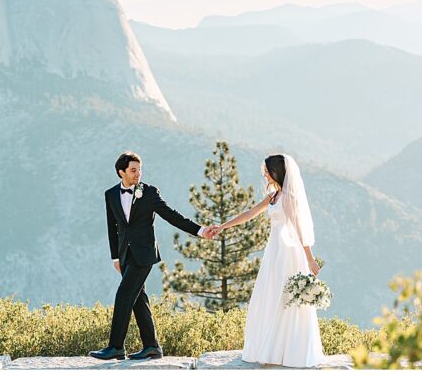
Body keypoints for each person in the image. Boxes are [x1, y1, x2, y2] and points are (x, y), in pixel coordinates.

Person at [89, 151, 218, 361]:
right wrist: (115, 257)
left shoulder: (149, 193)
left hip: (144, 254)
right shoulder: (110, 194)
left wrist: (200, 230)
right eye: (133, 170)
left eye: (140, 169)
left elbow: (171, 215)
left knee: (123, 295)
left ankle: (115, 347)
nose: (138, 174)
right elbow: (112, 228)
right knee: (139, 299)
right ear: (121, 172)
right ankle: (152, 346)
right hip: (124, 255)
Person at [215, 154, 325, 367]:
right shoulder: (274, 196)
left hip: (288, 255)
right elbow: (250, 213)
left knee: (286, 300)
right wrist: (222, 227)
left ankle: (288, 352)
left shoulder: (289, 198)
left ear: (276, 172)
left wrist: (309, 259)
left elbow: (300, 229)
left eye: (266, 170)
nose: (263, 173)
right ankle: (271, 348)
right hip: (273, 253)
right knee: (270, 296)